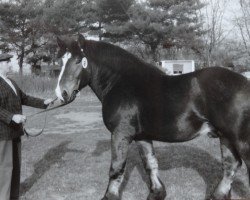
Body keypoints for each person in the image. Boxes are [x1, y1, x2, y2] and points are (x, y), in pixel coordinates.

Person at [0, 53, 53, 200]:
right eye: (6, 62)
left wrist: (44, 102)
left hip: (16, 131)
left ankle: (14, 195)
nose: (10, 65)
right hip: (3, 133)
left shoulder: (11, 81)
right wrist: (12, 117)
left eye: (9, 62)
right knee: (5, 167)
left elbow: (25, 98)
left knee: (16, 166)